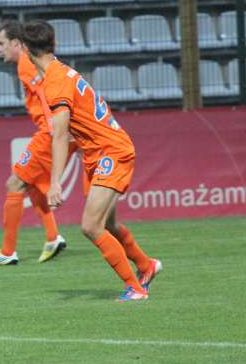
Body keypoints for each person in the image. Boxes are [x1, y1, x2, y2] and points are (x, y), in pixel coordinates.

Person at [21, 19, 161, 302]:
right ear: (54, 44)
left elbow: (59, 135)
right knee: (107, 225)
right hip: (102, 151)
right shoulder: (64, 71)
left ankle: (134, 287)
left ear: (25, 49)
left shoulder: (55, 82)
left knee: (90, 226)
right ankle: (146, 266)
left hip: (111, 151)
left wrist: (56, 183)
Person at [0, 21, 68, 267]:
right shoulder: (31, 62)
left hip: (48, 133)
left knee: (14, 183)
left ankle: (8, 252)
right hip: (53, 131)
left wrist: (53, 125)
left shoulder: (25, 64)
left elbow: (42, 94)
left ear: (17, 44)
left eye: (1, 43)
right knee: (31, 185)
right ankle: (53, 237)